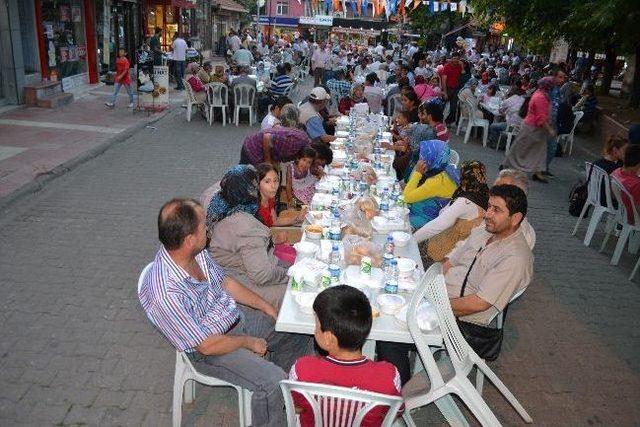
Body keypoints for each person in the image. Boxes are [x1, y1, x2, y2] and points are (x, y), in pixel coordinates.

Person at [139, 198, 307, 427]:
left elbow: (225, 282)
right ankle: (273, 391)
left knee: (291, 328)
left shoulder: (193, 253)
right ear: (189, 240)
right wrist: (248, 342)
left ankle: (278, 389)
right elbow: (206, 345)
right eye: (203, 227)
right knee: (272, 383)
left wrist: (265, 306)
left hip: (233, 318)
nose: (208, 230)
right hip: (211, 349)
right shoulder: (165, 293)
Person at [378, 184, 533, 384]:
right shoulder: (484, 232)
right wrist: (420, 285)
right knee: (388, 288)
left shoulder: (515, 257)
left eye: (497, 210)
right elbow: (449, 263)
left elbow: (479, 304)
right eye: (488, 206)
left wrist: (431, 305)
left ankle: (398, 398)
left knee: (391, 332)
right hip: (440, 297)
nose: (487, 214)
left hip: (462, 322)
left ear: (516, 218)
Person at [289, 286, 402, 426]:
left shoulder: (302, 370)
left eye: (316, 325)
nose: (314, 330)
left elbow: (297, 406)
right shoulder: (389, 376)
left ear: (329, 339)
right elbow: (395, 411)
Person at [207, 166, 290, 309]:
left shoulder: (219, 203)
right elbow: (262, 275)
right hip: (235, 279)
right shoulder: (246, 225)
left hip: (230, 269)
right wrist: (289, 276)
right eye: (254, 186)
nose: (257, 190)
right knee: (293, 295)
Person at [414, 161, 489, 262]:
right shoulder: (484, 192)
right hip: (456, 250)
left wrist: (412, 240)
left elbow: (437, 226)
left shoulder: (466, 201)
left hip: (439, 252)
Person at [502, 76, 557, 183]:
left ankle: (538, 172)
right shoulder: (541, 97)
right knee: (521, 147)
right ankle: (507, 165)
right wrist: (550, 130)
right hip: (533, 127)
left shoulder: (541, 94)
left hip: (535, 127)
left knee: (539, 151)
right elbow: (541, 117)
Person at [404, 140, 460, 229]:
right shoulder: (446, 170)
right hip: (430, 212)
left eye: (423, 157)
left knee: (396, 218)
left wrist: (418, 173)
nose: (420, 160)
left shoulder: (436, 181)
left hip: (425, 219)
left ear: (432, 158)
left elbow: (406, 198)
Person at [241, 105, 310, 166]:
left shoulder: (301, 139)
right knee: (247, 176)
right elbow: (267, 137)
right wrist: (268, 162)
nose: (307, 164)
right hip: (252, 149)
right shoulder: (294, 143)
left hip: (254, 144)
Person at [611, 144, 640, 223]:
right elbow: (638, 209)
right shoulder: (636, 184)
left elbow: (613, 196)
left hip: (621, 210)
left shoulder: (616, 172)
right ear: (638, 164)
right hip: (633, 218)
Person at [439, 53, 463, 123]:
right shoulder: (447, 66)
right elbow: (444, 80)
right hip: (448, 88)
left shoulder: (459, 66)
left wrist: (462, 66)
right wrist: (445, 92)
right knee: (442, 106)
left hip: (456, 89)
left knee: (453, 108)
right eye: (454, 58)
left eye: (457, 59)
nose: (456, 60)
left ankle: (447, 121)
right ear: (452, 58)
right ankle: (438, 121)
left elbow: (463, 73)